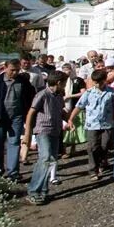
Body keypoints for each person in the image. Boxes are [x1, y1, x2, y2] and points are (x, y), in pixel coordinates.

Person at [0, 60, 35, 181]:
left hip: (16, 117)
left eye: (17, 70)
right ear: (5, 68)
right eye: (12, 70)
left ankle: (13, 173)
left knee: (14, 144)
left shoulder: (23, 82)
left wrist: (29, 116)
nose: (15, 72)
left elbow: (32, 97)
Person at [23, 74, 67, 205]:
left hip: (55, 130)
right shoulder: (42, 95)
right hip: (43, 130)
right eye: (64, 83)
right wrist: (27, 133)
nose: (65, 85)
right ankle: (33, 190)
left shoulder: (59, 96)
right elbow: (31, 112)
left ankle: (43, 189)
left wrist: (69, 119)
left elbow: (61, 111)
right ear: (58, 82)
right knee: (45, 157)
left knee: (51, 159)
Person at [68, 70, 114, 180]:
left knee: (105, 145)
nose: (97, 85)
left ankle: (101, 162)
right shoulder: (89, 93)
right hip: (92, 124)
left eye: (100, 82)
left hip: (107, 124)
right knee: (92, 147)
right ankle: (93, 169)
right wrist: (71, 118)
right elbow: (79, 106)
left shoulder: (112, 93)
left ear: (105, 80)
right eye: (95, 82)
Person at [60, 62, 86, 159]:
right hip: (63, 107)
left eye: (68, 69)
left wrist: (70, 96)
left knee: (73, 127)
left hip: (75, 106)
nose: (67, 71)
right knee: (63, 128)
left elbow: (83, 93)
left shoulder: (78, 80)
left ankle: (72, 148)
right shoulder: (61, 80)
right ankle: (63, 150)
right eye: (64, 69)